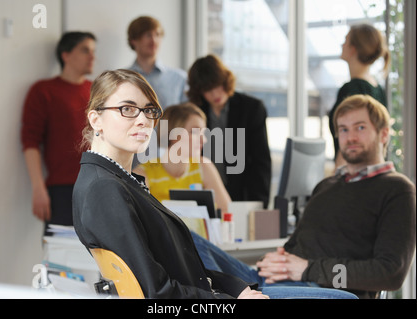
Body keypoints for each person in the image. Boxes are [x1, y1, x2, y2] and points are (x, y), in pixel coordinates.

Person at [72, 69, 356, 299]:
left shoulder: (122, 180)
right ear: (96, 119)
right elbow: (155, 293)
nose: (144, 120)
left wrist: (237, 288)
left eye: (149, 110)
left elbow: (178, 269)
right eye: (127, 109)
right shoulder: (104, 188)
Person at [192, 95, 415, 299]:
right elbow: (295, 245)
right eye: (344, 129)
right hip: (270, 281)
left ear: (384, 133)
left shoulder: (397, 189)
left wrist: (308, 270)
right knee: (187, 238)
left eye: (360, 127)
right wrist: (277, 261)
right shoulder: (327, 185)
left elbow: (389, 273)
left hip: (327, 291)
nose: (350, 137)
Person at [21, 31, 96, 235]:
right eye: (85, 50)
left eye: (93, 51)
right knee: (60, 259)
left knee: (99, 260)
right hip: (62, 190)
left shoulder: (97, 92)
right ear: (66, 55)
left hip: (97, 186)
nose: (92, 56)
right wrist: (38, 188)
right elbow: (30, 142)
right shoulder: (43, 91)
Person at [187, 54, 272, 208]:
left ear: (225, 81)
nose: (214, 94)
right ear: (199, 91)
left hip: (242, 195)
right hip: (202, 194)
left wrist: (259, 205)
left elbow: (261, 162)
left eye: (217, 85)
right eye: (207, 90)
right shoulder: (194, 112)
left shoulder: (251, 109)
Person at [133, 102, 231, 213]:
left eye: (203, 132)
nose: (203, 140)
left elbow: (227, 212)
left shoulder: (203, 167)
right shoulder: (143, 175)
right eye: (194, 131)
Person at [329, 23, 390, 168]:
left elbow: (350, 142)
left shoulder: (352, 88)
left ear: (353, 49)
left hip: (355, 172)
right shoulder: (377, 88)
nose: (342, 44)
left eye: (345, 40)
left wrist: (334, 182)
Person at [127, 16, 188, 108]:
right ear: (133, 40)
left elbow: (186, 116)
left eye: (158, 35)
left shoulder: (179, 78)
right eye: (148, 35)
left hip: (167, 123)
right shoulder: (122, 79)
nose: (154, 40)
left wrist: (164, 123)